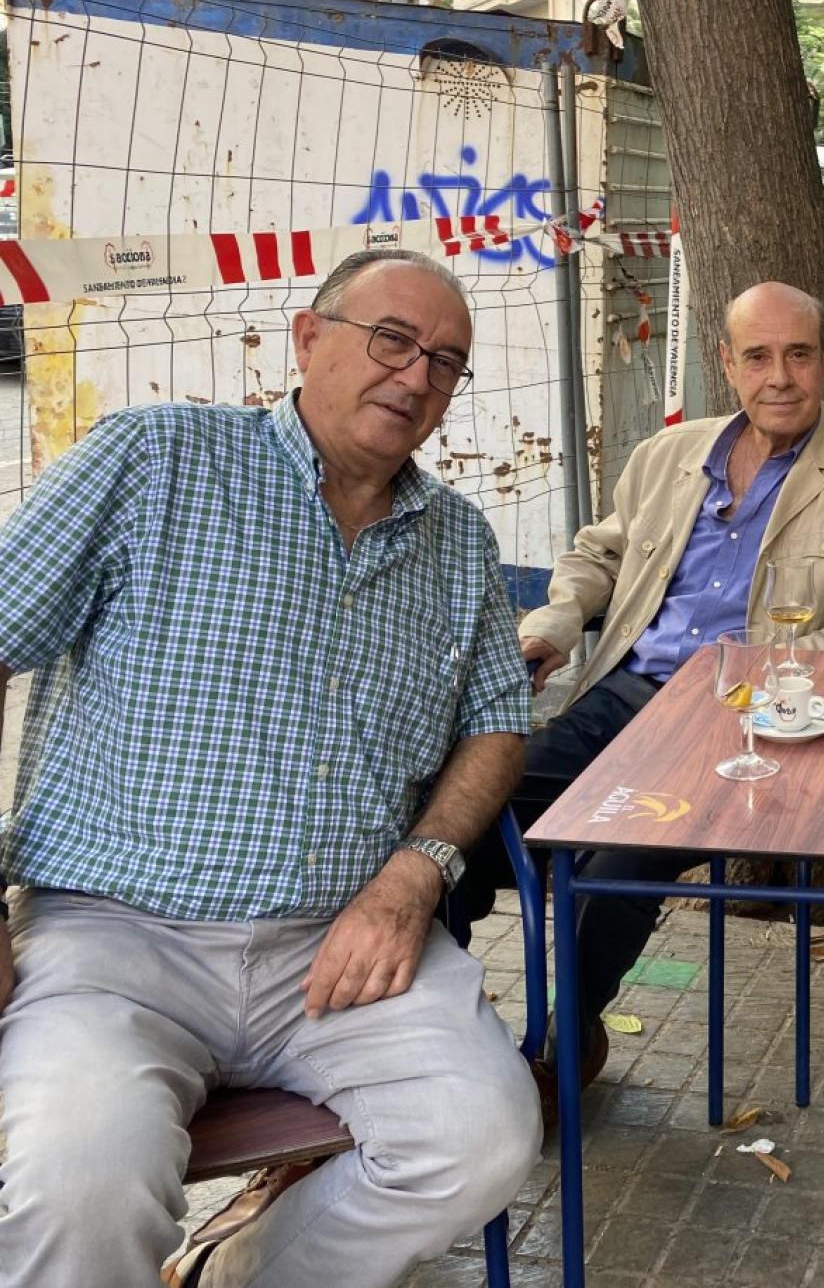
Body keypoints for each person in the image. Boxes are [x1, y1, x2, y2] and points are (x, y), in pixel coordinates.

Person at [0, 249, 541, 1288]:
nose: (416, 376)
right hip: (119, 939)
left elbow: (498, 728)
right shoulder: (156, 461)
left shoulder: (459, 542)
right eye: (392, 339)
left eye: (445, 362)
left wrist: (414, 872)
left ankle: (242, 1272)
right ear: (307, 337)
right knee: (85, 1178)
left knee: (480, 1140)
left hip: (341, 948)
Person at [450, 281, 824, 1095]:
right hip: (624, 696)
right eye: (759, 357)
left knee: (616, 861)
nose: (780, 377)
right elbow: (598, 557)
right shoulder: (669, 455)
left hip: (742, 723)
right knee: (458, 823)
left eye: (799, 355)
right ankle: (435, 1035)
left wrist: (740, 664)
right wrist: (555, 626)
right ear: (728, 364)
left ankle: (567, 1044)